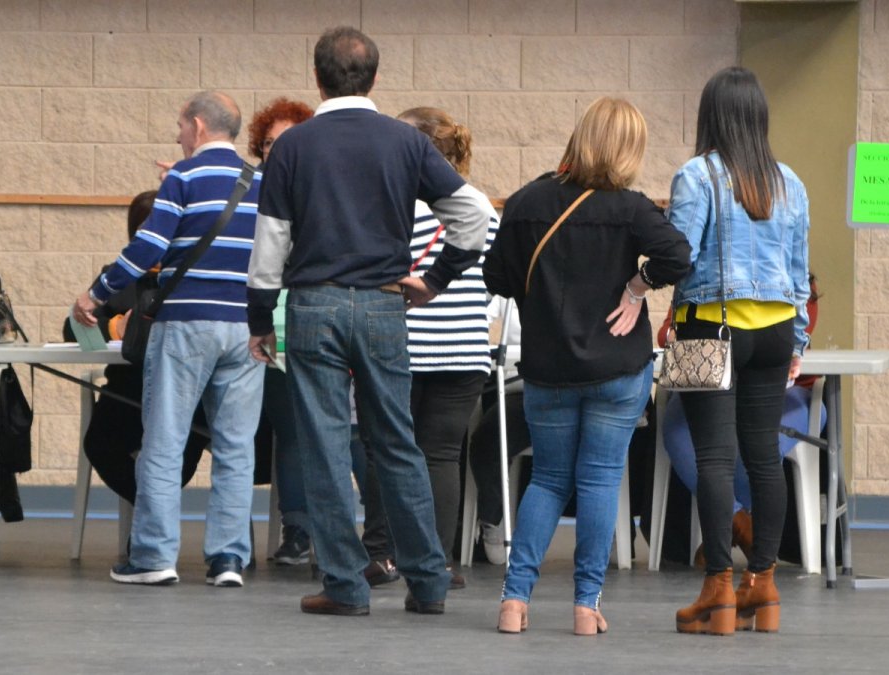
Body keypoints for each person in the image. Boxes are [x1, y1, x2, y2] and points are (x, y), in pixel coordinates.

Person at [247, 26, 494, 617]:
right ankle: (429, 583)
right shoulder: (404, 142)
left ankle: (344, 585)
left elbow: (270, 246)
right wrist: (435, 280)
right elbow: (475, 215)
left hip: (314, 305)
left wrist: (260, 320)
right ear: (376, 78)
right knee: (398, 442)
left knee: (327, 446)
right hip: (386, 304)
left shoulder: (294, 148)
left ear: (317, 78)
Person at [484, 97, 690, 635]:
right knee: (599, 480)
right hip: (618, 370)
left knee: (547, 479)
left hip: (548, 369)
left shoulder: (527, 202)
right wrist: (636, 286)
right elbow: (678, 256)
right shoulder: (633, 208)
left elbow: (496, 278)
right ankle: (584, 606)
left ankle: (514, 601)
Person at [73, 91, 263, 589]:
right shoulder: (258, 181)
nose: (178, 135)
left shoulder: (184, 177)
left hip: (184, 325)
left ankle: (154, 555)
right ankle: (228, 561)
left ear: (198, 126)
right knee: (236, 447)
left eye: (180, 126)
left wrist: (96, 294)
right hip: (244, 328)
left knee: (163, 440)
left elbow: (149, 248)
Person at [671, 67, 811, 636]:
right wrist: (798, 338)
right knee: (763, 456)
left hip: (712, 324)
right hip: (775, 328)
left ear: (711, 115)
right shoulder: (790, 182)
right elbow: (799, 272)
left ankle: (718, 592)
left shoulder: (697, 175)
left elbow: (679, 256)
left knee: (713, 458)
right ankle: (765, 585)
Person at [357, 106, 499, 589]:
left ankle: (381, 553)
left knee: (385, 450)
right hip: (464, 349)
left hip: (402, 345)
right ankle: (435, 561)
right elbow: (493, 279)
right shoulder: (481, 207)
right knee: (441, 455)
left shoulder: (391, 206)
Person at [657, 275, 823, 566]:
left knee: (752, 441)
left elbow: (794, 339)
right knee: (677, 425)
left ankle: (726, 539)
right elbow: (666, 333)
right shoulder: (704, 278)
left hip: (786, 392)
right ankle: (742, 526)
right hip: (714, 384)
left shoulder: (792, 284)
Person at [64, 191, 211, 503]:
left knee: (184, 447)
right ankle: (151, 510)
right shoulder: (115, 278)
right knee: (99, 444)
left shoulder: (192, 278)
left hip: (185, 393)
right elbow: (72, 329)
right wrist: (114, 328)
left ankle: (149, 520)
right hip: (127, 393)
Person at [245, 97, 319, 566]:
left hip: (305, 322)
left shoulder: (318, 190)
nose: (276, 150)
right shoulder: (245, 191)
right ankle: (292, 530)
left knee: (310, 431)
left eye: (286, 141)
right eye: (269, 143)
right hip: (258, 327)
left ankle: (308, 530)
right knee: (283, 429)